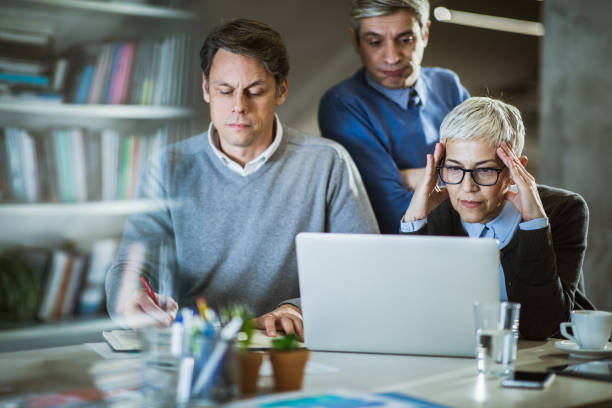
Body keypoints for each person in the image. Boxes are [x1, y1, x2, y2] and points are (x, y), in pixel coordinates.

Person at [105, 19, 379, 338]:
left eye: (255, 91)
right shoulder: (167, 166)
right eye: (225, 90)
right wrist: (128, 298)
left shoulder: (327, 163)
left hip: (286, 346)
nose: (239, 106)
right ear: (206, 89)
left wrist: (298, 307)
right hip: (194, 345)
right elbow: (132, 265)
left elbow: (362, 271)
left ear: (281, 90)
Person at [400, 97, 594, 340]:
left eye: (484, 170)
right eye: (454, 168)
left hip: (550, 358)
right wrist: (415, 220)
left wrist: (534, 223)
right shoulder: (441, 211)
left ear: (515, 171)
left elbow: (541, 327)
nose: (467, 187)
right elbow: (409, 314)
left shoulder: (564, 210)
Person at [318, 0, 470, 234]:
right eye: (375, 42)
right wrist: (459, 175)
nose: (392, 57)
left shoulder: (448, 85)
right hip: (398, 254)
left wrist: (410, 178)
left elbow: (491, 178)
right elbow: (396, 213)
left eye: (405, 40)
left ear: (425, 33)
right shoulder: (342, 105)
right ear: (355, 41)